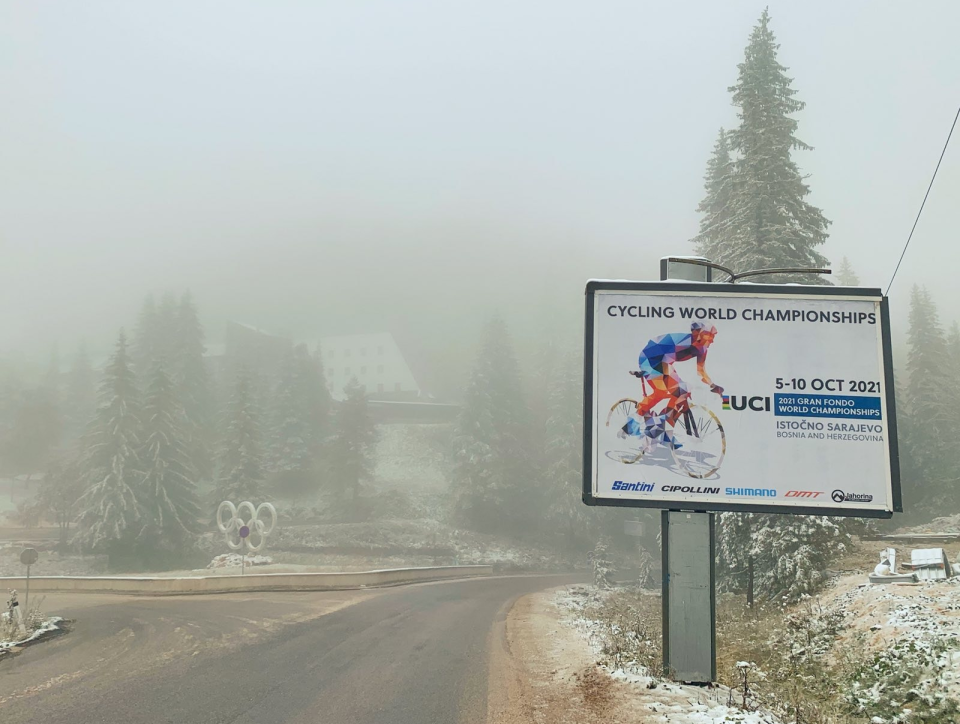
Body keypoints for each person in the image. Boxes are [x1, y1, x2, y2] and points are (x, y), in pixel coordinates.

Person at [619, 322, 723, 449]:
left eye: (713, 336)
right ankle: (655, 427)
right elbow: (665, 363)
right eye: (709, 335)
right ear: (697, 334)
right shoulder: (683, 342)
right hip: (650, 358)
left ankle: (659, 427)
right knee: (677, 391)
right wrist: (679, 385)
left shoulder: (702, 349)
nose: (712, 340)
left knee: (668, 392)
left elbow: (701, 371)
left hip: (663, 361)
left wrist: (713, 385)